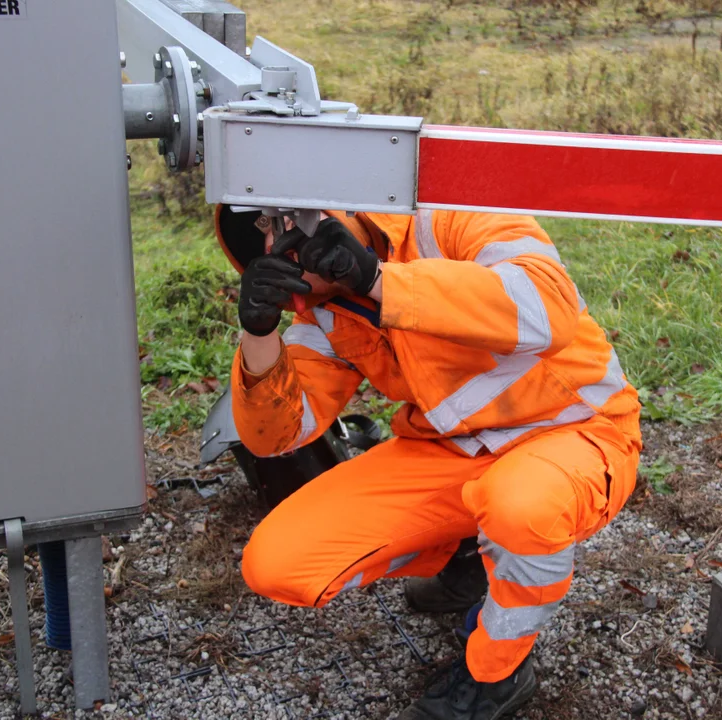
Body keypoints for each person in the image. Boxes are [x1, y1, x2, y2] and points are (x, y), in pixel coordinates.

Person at [214, 205, 641, 720]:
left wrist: (377, 280)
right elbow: (278, 436)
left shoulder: (454, 218)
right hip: (454, 451)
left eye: (276, 225)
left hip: (572, 430)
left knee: (521, 507)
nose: (270, 250)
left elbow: (548, 309)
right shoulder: (324, 315)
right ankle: (469, 558)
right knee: (278, 565)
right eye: (257, 236)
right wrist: (259, 334)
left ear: (324, 207)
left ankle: (496, 674)